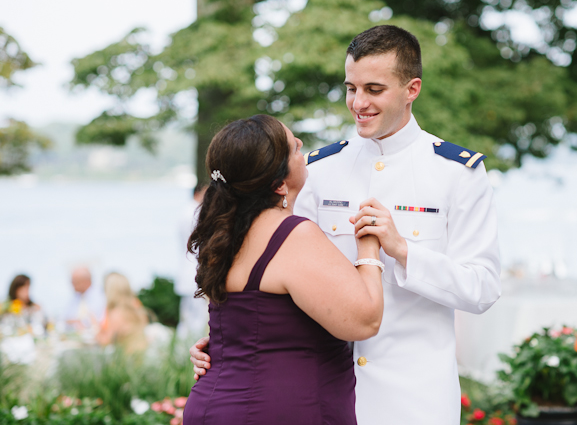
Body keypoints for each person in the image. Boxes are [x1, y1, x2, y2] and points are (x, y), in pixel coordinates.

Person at [191, 25, 502, 424]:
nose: (358, 102)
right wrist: (227, 342)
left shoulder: (457, 174)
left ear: (412, 89)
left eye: (374, 89)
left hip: (414, 400)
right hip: (325, 395)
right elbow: (275, 272)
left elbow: (483, 289)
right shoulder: (319, 169)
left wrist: (403, 250)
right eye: (351, 88)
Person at [181, 115, 384, 424]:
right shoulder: (292, 235)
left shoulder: (222, 234)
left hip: (213, 405)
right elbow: (364, 321)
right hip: (277, 410)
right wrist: (369, 246)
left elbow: (251, 321)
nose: (301, 145)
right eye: (292, 148)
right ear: (278, 184)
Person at [175, 183, 209, 339]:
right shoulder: (196, 213)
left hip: (187, 270)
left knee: (187, 318)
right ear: (199, 192)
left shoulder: (185, 211)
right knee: (197, 319)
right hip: (195, 271)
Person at [95, 272, 148, 354]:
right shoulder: (137, 308)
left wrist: (94, 326)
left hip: (126, 359)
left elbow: (105, 341)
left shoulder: (116, 313)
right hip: (140, 355)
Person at [64, 265, 106, 331]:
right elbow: (66, 318)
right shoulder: (75, 297)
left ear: (85, 281)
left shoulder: (101, 295)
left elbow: (98, 319)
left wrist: (80, 322)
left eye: (75, 282)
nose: (72, 285)